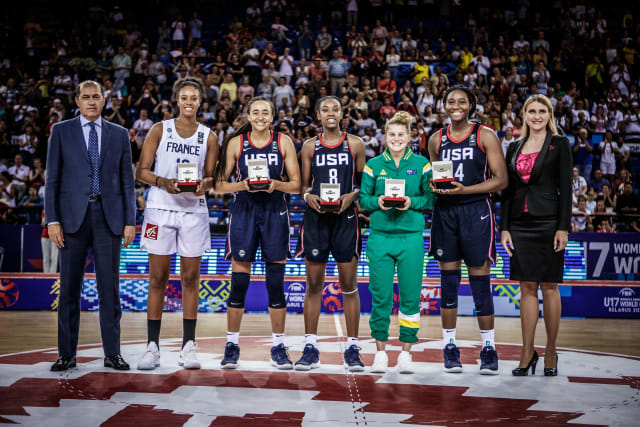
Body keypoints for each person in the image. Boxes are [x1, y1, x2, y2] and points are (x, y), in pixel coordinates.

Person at [44, 80, 136, 371]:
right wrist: (52, 220)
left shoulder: (119, 134)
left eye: (96, 96)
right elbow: (52, 180)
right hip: (71, 220)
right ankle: (66, 354)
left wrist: (130, 221)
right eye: (86, 97)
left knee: (109, 289)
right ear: (77, 101)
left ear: (104, 100)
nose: (92, 101)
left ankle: (113, 353)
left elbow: (127, 182)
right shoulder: (61, 131)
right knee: (69, 290)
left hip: (109, 220)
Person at [135, 77, 218, 370]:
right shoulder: (160, 129)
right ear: (177, 100)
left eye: (194, 97)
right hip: (160, 209)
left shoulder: (209, 136)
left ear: (200, 101)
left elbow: (211, 176)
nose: (189, 102)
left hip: (193, 211)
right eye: (184, 97)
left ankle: (188, 346)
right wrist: (163, 181)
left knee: (191, 279)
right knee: (158, 278)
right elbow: (141, 171)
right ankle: (152, 347)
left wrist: (204, 184)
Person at [214, 97, 301, 369]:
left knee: (275, 283)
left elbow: (297, 185)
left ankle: (278, 346)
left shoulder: (283, 141)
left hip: (275, 211)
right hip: (245, 211)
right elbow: (219, 185)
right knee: (239, 283)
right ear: (249, 116)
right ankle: (231, 345)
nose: (260, 116)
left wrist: (276, 184)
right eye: (256, 112)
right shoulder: (236, 143)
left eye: (265, 112)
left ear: (272, 117)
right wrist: (242, 185)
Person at [427, 85, 508, 374]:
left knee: (480, 282)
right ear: (444, 105)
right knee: (448, 283)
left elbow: (501, 180)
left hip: (476, 211)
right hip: (446, 212)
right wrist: (434, 186)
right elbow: (437, 177)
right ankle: (449, 345)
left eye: (462, 101)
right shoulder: (436, 139)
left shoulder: (485, 135)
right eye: (451, 101)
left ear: (471, 105)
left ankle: (489, 347)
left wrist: (465, 190)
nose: (456, 105)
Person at [501, 94, 572, 376]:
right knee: (526, 287)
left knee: (550, 286)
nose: (537, 116)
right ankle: (527, 352)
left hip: (549, 222)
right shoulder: (514, 147)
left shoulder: (560, 144)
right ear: (524, 115)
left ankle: (551, 350)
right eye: (532, 111)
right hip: (519, 224)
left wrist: (563, 227)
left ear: (550, 115)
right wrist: (504, 228)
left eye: (543, 111)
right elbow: (508, 191)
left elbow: (566, 187)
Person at [294, 96, 366, 371]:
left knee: (349, 285)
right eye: (325, 109)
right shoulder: (309, 146)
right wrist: (307, 196)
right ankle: (310, 347)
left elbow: (362, 185)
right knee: (314, 284)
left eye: (335, 108)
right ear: (318, 115)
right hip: (316, 219)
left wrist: (352, 196)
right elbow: (303, 186)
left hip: (345, 219)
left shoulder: (355, 144)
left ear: (342, 113)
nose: (331, 113)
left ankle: (353, 347)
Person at [359, 111, 434, 373]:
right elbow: (363, 200)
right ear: (385, 136)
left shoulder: (422, 164)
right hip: (379, 238)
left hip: (411, 239)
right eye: (391, 134)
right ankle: (380, 352)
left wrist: (411, 202)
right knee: (380, 298)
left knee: (410, 297)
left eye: (401, 134)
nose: (396, 138)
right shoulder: (374, 165)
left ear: (410, 136)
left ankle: (406, 352)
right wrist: (377, 202)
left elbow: (431, 198)